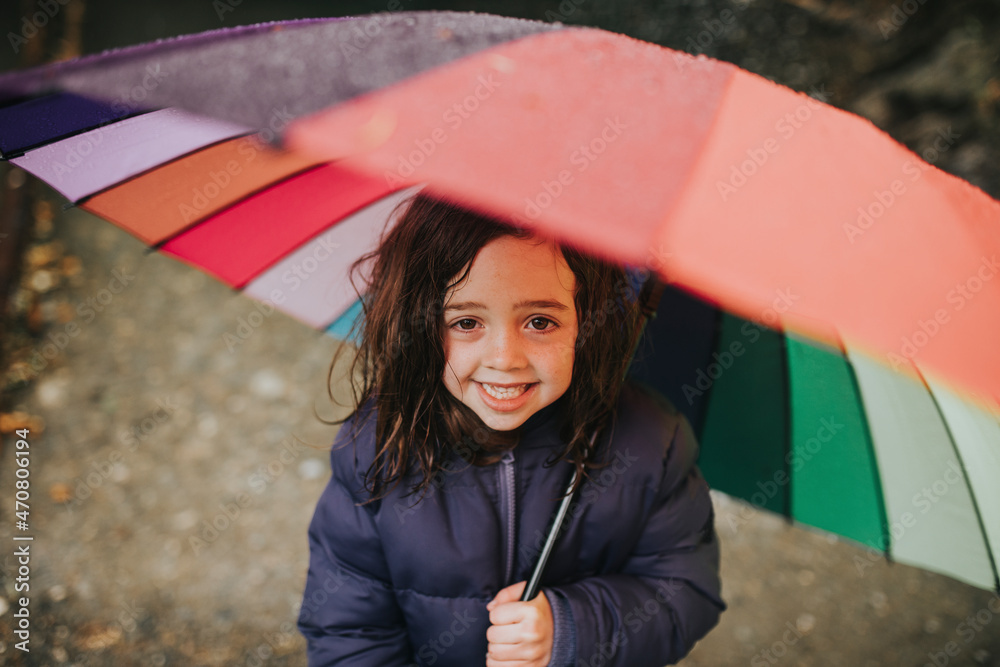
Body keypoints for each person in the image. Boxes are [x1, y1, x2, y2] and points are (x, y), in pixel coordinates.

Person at [297, 192, 725, 666]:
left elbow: (686, 594)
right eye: (466, 321)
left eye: (540, 322)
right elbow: (348, 627)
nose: (505, 359)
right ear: (419, 324)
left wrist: (568, 629)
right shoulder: (378, 446)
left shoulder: (651, 442)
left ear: (590, 322)